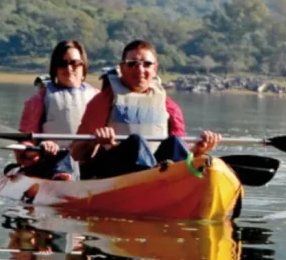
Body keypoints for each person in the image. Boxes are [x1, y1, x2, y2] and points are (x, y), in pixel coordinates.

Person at [70, 40, 221, 180]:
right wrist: (95, 142)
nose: (140, 70)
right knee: (136, 142)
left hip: (157, 174)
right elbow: (76, 154)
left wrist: (199, 150)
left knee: (175, 142)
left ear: (155, 69)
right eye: (132, 64)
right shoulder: (103, 101)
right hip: (114, 171)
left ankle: (164, 181)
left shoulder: (170, 107)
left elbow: (180, 153)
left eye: (147, 64)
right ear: (122, 68)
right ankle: (151, 178)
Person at [12, 40, 98, 180]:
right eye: (62, 64)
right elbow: (24, 142)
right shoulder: (39, 99)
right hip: (51, 161)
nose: (69, 68)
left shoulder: (98, 97)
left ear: (83, 66)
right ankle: (63, 180)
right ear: (55, 68)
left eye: (74, 63)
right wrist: (40, 146)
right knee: (64, 155)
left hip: (86, 160)